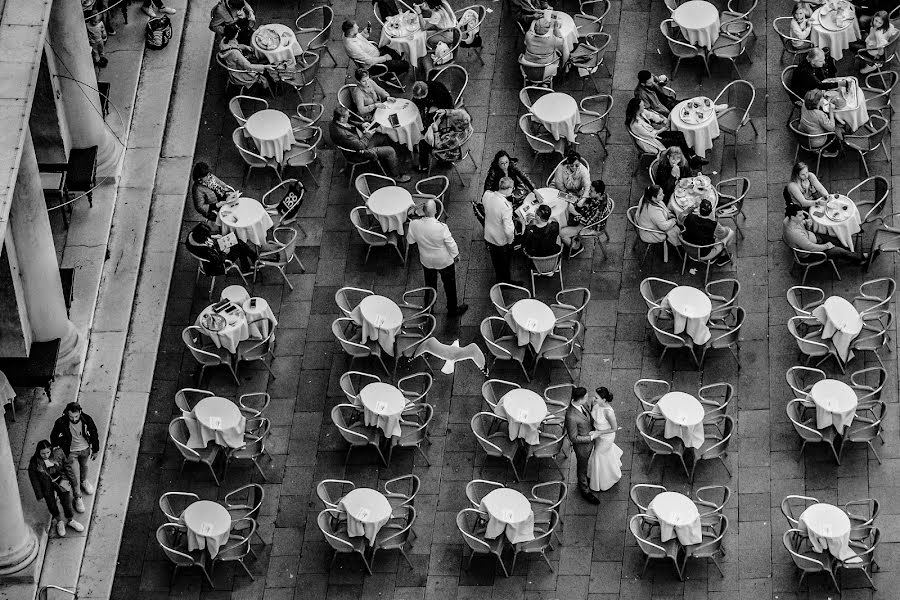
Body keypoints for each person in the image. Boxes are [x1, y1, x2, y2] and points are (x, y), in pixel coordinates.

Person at [406, 199, 468, 317]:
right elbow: (451, 243)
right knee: (449, 285)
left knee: (429, 285)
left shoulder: (414, 224)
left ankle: (429, 307)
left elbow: (410, 240)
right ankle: (452, 309)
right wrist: (456, 255)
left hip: (426, 260)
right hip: (444, 261)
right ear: (435, 211)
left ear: (423, 211)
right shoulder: (441, 227)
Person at [329, 106, 412, 182]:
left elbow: (350, 123)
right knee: (391, 150)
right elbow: (361, 146)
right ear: (342, 118)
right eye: (347, 116)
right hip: (360, 153)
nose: (349, 116)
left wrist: (362, 125)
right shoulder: (343, 134)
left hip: (359, 140)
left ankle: (388, 160)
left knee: (383, 137)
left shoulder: (335, 122)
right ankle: (395, 175)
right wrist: (368, 134)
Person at [50, 402, 100, 513]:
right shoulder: (61, 422)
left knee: (84, 466)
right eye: (71, 416)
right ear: (67, 413)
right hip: (70, 452)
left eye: (76, 416)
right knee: (73, 476)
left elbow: (94, 433)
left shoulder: (87, 419)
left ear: (80, 412)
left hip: (85, 449)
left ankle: (84, 481)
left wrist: (95, 449)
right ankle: (78, 497)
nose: (73, 419)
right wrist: (58, 446)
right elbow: (53, 436)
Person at [28, 440, 84, 538]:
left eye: (47, 452)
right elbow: (34, 480)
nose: (45, 455)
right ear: (38, 452)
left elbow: (67, 467)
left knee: (66, 500)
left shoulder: (58, 453)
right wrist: (39, 494)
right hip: (46, 485)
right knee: (51, 504)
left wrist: (73, 480)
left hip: (61, 480)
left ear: (50, 450)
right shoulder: (34, 462)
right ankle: (59, 521)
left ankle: (70, 520)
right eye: (43, 453)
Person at [783, 203, 866, 263]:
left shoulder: (788, 219)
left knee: (837, 240)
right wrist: (826, 246)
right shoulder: (796, 234)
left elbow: (801, 225)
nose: (803, 217)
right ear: (793, 217)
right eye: (800, 216)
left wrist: (805, 223)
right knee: (839, 251)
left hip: (812, 237)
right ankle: (862, 258)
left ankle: (850, 254)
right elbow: (811, 248)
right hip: (811, 253)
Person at [625, 98, 698, 161]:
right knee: (677, 141)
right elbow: (651, 134)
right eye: (642, 106)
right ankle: (690, 159)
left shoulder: (640, 113)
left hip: (654, 133)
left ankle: (692, 155)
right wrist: (664, 129)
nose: (644, 107)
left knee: (680, 134)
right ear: (637, 109)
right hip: (652, 141)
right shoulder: (636, 125)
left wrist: (662, 120)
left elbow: (651, 115)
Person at [565, 386, 600, 504]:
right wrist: (590, 437)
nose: (588, 398)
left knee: (587, 464)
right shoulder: (571, 416)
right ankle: (584, 490)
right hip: (582, 448)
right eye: (586, 397)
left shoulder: (582, 405)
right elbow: (573, 438)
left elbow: (587, 416)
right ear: (579, 399)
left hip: (590, 439)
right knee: (582, 468)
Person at [560, 179, 611, 256]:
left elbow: (587, 223)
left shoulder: (599, 209)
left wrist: (574, 212)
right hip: (587, 214)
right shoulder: (601, 196)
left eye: (591, 191)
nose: (589, 192)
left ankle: (577, 247)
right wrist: (582, 199)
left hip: (590, 227)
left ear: (598, 193)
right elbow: (589, 203)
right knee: (569, 198)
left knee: (562, 233)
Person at [342, 20, 410, 76]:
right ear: (351, 33)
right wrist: (385, 58)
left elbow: (358, 38)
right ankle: (389, 77)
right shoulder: (353, 47)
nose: (358, 27)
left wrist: (364, 33)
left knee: (398, 51)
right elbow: (370, 61)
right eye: (356, 28)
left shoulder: (347, 34)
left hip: (376, 53)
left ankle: (396, 65)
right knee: (406, 65)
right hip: (375, 66)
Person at [217, 24, 273, 92]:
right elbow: (249, 67)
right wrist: (265, 67)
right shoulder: (235, 53)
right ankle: (266, 88)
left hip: (232, 67)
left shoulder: (223, 41)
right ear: (235, 35)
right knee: (265, 63)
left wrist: (245, 47)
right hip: (240, 74)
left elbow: (234, 46)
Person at [185, 222, 258, 274]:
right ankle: (252, 261)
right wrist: (224, 252)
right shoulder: (204, 250)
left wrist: (212, 237)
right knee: (240, 248)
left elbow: (204, 239)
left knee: (239, 243)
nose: (208, 237)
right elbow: (218, 260)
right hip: (216, 266)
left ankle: (249, 264)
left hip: (212, 253)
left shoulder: (192, 235)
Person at [587, 387, 622, 492]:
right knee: (601, 456)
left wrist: (598, 433)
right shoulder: (595, 403)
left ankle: (604, 480)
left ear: (604, 400)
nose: (594, 399)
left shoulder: (609, 412)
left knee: (597, 454)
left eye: (597, 397)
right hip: (597, 434)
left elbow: (614, 428)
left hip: (606, 438)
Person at [482, 177, 516, 283]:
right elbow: (508, 229)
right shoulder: (505, 206)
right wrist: (510, 241)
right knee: (504, 262)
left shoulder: (487, 195)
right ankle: (506, 281)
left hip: (489, 234)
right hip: (500, 239)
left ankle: (499, 278)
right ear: (509, 189)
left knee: (495, 260)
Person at [683, 199, 734, 265]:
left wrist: (692, 207)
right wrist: (726, 228)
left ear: (699, 209)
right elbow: (724, 234)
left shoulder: (689, 217)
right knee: (730, 233)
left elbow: (680, 217)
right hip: (705, 253)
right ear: (711, 212)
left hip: (688, 249)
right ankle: (719, 256)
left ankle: (717, 254)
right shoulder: (714, 225)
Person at [798, 89, 843, 155]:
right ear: (817, 102)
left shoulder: (804, 104)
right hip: (816, 141)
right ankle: (831, 151)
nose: (823, 99)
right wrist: (831, 111)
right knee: (836, 130)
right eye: (822, 98)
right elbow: (832, 128)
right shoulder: (820, 115)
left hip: (803, 134)